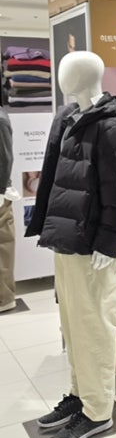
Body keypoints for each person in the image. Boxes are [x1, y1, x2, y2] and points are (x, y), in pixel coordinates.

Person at [26, 51, 116, 438]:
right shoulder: (68, 117)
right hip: (67, 241)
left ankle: (98, 411)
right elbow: (52, 180)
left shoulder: (111, 127)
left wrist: (109, 243)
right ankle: (80, 394)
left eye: (69, 69)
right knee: (73, 327)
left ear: (88, 76)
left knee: (94, 330)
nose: (61, 74)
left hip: (93, 249)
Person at [0, 108, 17, 313]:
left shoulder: (1, 120)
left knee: (3, 247)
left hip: (0, 194)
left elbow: (6, 159)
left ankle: (4, 298)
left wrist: (1, 190)